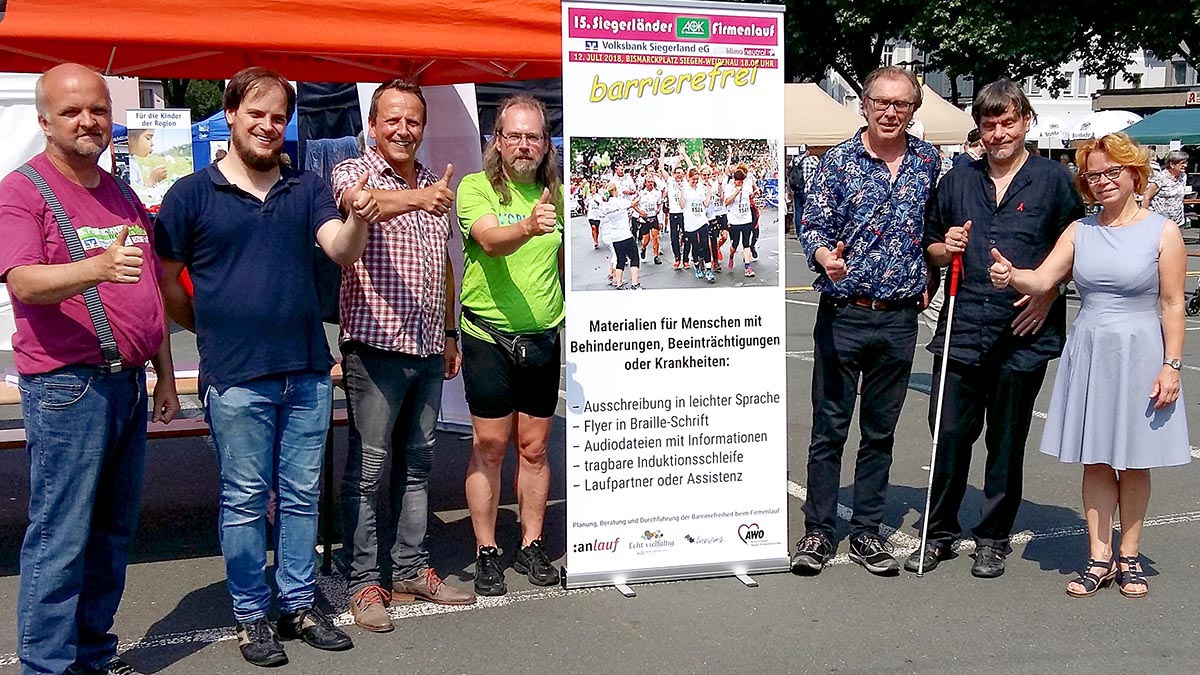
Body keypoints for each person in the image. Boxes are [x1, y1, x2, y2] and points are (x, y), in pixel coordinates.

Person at [155, 67, 371, 667]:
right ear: (230, 114)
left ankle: (298, 605)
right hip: (235, 379)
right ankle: (252, 614)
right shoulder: (189, 195)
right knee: (246, 500)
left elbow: (340, 249)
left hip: (306, 370)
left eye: (279, 116)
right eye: (256, 113)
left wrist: (359, 218)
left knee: (301, 497)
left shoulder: (306, 188)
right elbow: (166, 283)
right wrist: (208, 327)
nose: (268, 126)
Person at [0, 63, 179, 675]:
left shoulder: (120, 192)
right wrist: (95, 269)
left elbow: (149, 290)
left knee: (110, 535)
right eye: (72, 111)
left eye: (98, 109)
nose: (88, 121)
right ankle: (48, 667)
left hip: (127, 383)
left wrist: (164, 372)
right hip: (67, 387)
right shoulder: (22, 190)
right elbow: (24, 280)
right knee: (62, 537)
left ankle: (92, 657)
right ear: (44, 121)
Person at [989, 132, 1190, 598]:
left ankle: (1130, 556)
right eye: (1093, 175)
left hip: (1142, 353)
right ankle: (1099, 558)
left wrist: (1172, 365)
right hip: (1092, 350)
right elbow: (1042, 279)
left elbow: (1173, 303)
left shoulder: (1163, 231)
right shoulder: (1081, 230)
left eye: (1112, 172)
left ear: (1134, 173)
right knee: (1096, 459)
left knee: (1135, 462)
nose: (1102, 181)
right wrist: (1011, 274)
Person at [910, 80, 1086, 579]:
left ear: (1026, 121)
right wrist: (945, 246)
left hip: (1021, 333)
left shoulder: (1054, 180)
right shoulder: (957, 180)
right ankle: (937, 533)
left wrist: (1050, 291)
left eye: (1008, 122)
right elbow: (931, 247)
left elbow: (1079, 247)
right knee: (947, 436)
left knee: (1006, 444)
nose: (999, 133)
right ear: (980, 130)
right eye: (989, 125)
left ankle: (992, 538)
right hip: (962, 330)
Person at [329, 79, 476, 634]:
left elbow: (444, 263)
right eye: (392, 119)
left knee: (417, 465)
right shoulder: (354, 171)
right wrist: (419, 198)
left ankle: (411, 568)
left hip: (427, 345)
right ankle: (365, 580)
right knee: (369, 469)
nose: (403, 129)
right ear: (372, 125)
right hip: (374, 346)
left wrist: (450, 332)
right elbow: (359, 205)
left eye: (413, 121)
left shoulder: (433, 181)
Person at [794, 66, 940, 576]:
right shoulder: (836, 162)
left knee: (880, 433)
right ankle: (818, 531)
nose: (890, 112)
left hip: (899, 319)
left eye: (901, 104)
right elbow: (812, 225)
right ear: (864, 104)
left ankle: (866, 533)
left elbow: (933, 230)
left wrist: (933, 273)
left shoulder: (928, 161)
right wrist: (823, 257)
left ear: (913, 110)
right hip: (845, 313)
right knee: (829, 429)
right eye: (882, 102)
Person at [455, 94, 564, 597]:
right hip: (489, 338)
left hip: (543, 337)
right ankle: (486, 549)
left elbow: (563, 262)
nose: (524, 145)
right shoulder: (475, 187)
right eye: (514, 135)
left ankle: (532, 543)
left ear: (545, 144)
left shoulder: (557, 193)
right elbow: (490, 240)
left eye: (533, 136)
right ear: (497, 141)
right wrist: (527, 225)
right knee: (491, 446)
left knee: (535, 448)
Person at [1144, 150, 1189, 226]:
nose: (1185, 165)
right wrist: (1143, 219)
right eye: (1182, 163)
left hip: (1178, 222)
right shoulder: (1161, 177)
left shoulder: (1183, 176)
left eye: (1186, 163)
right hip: (1160, 222)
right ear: (1172, 164)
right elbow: (1147, 197)